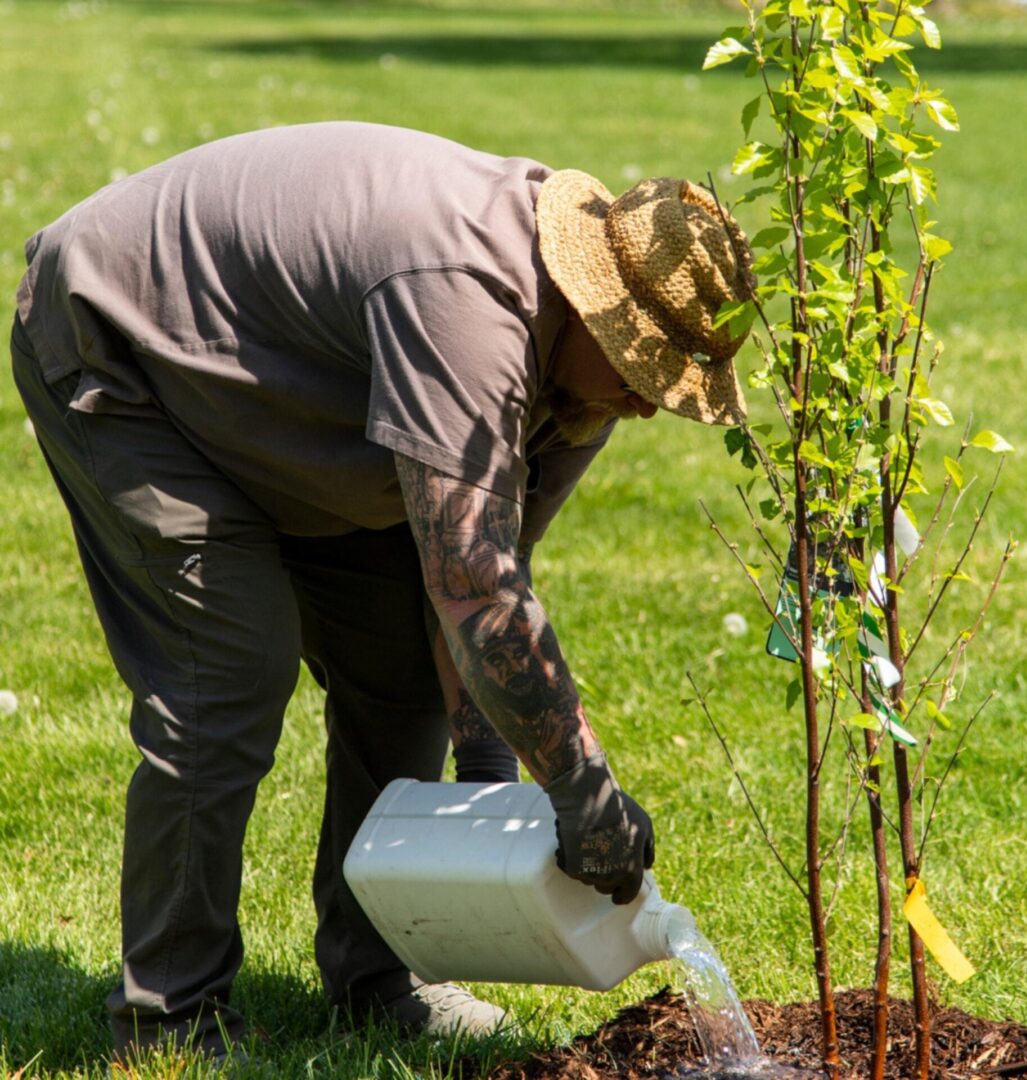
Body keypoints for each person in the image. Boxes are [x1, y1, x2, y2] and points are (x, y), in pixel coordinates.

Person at [10, 121, 755, 1063]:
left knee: (401, 664)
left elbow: (482, 593)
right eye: (646, 372)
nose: (651, 403)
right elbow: (476, 587)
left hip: (296, 399)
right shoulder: (466, 301)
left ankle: (376, 977)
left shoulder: (580, 388)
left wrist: (491, 817)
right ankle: (172, 1016)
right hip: (130, 346)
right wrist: (581, 788)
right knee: (229, 670)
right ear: (588, 304)